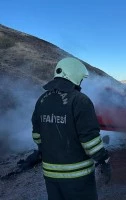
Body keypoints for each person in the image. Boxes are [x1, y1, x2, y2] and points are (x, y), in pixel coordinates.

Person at [31, 57, 111, 200]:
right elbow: (90, 141)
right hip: (78, 177)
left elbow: (37, 135)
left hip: (50, 176)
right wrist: (103, 159)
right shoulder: (80, 100)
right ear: (74, 75)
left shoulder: (42, 99)